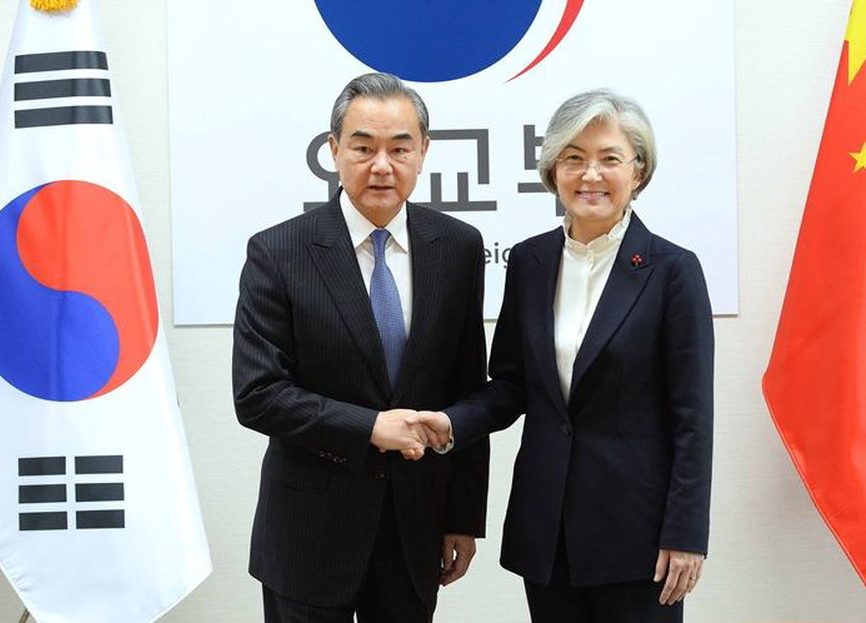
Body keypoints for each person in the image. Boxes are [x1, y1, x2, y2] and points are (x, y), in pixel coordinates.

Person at [412, 89, 714, 622]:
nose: (590, 175)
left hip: (638, 538)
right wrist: (449, 422)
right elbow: (509, 385)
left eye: (610, 159)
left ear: (638, 172)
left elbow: (692, 417)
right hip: (547, 530)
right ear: (553, 171)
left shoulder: (672, 271)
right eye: (573, 158)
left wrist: (687, 533)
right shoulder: (530, 261)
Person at [232, 72, 490, 623]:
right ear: (333, 150)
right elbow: (258, 394)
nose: (382, 165)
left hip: (414, 529)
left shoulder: (459, 248)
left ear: (423, 152)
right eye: (363, 146)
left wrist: (463, 517)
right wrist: (370, 427)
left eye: (400, 148)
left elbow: (467, 389)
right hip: (308, 533)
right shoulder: (278, 251)